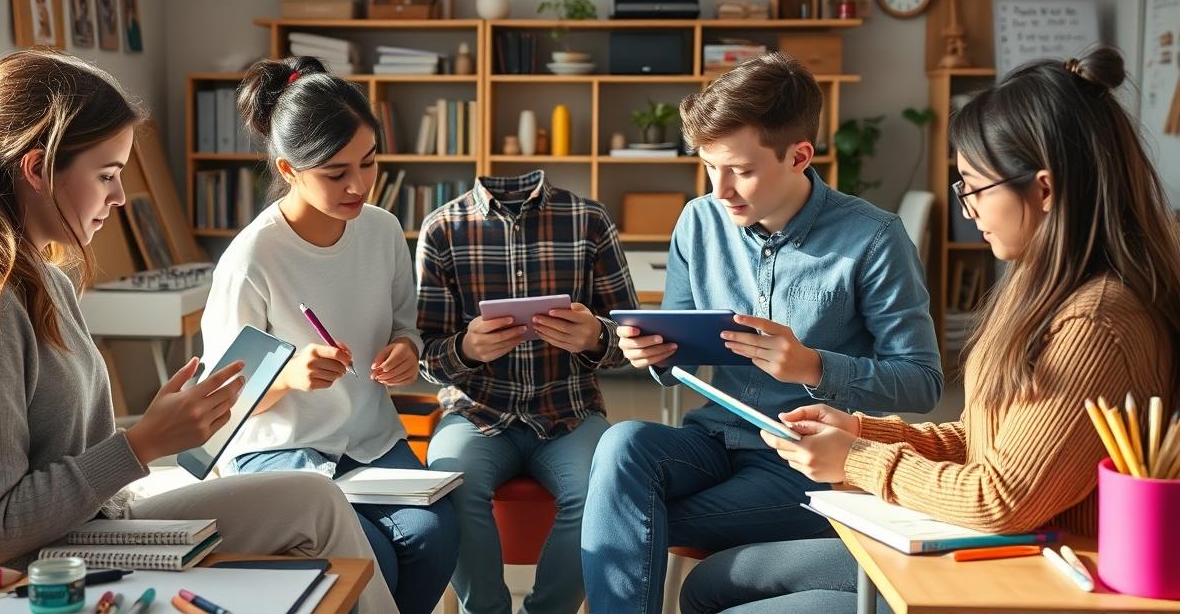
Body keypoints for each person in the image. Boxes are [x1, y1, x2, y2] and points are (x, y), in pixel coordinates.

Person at [0, 50, 398, 613]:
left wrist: (155, 434)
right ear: (37, 170)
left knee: (315, 500)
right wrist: (142, 443)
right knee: (311, 510)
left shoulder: (41, 280)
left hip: (76, 526)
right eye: (107, 175)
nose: (118, 197)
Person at [679, 46, 1180, 614]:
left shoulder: (1093, 322)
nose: (966, 209)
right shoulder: (1038, 287)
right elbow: (980, 444)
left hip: (1033, 569)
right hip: (995, 540)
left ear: (1043, 190)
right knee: (710, 583)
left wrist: (858, 459)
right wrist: (861, 430)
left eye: (973, 186)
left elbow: (1000, 498)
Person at [581, 53, 943, 614]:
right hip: (712, 438)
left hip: (803, 459)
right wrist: (650, 352)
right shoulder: (698, 222)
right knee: (623, 444)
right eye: (708, 166)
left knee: (624, 518)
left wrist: (815, 368)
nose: (719, 189)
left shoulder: (873, 239)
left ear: (800, 156)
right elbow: (672, 360)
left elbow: (922, 383)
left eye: (740, 170)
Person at [200, 56, 458, 614]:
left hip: (371, 439)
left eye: (368, 163)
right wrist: (287, 375)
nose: (359, 184)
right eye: (336, 173)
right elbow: (217, 402)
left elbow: (404, 328)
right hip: (279, 450)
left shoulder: (384, 230)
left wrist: (405, 352)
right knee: (370, 561)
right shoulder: (252, 259)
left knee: (436, 535)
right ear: (289, 169)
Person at [417, 168, 638, 614]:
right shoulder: (442, 227)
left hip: (570, 412)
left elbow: (634, 341)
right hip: (476, 414)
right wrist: (466, 348)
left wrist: (596, 337)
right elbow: (426, 358)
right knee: (449, 483)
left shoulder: (589, 220)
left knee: (602, 491)